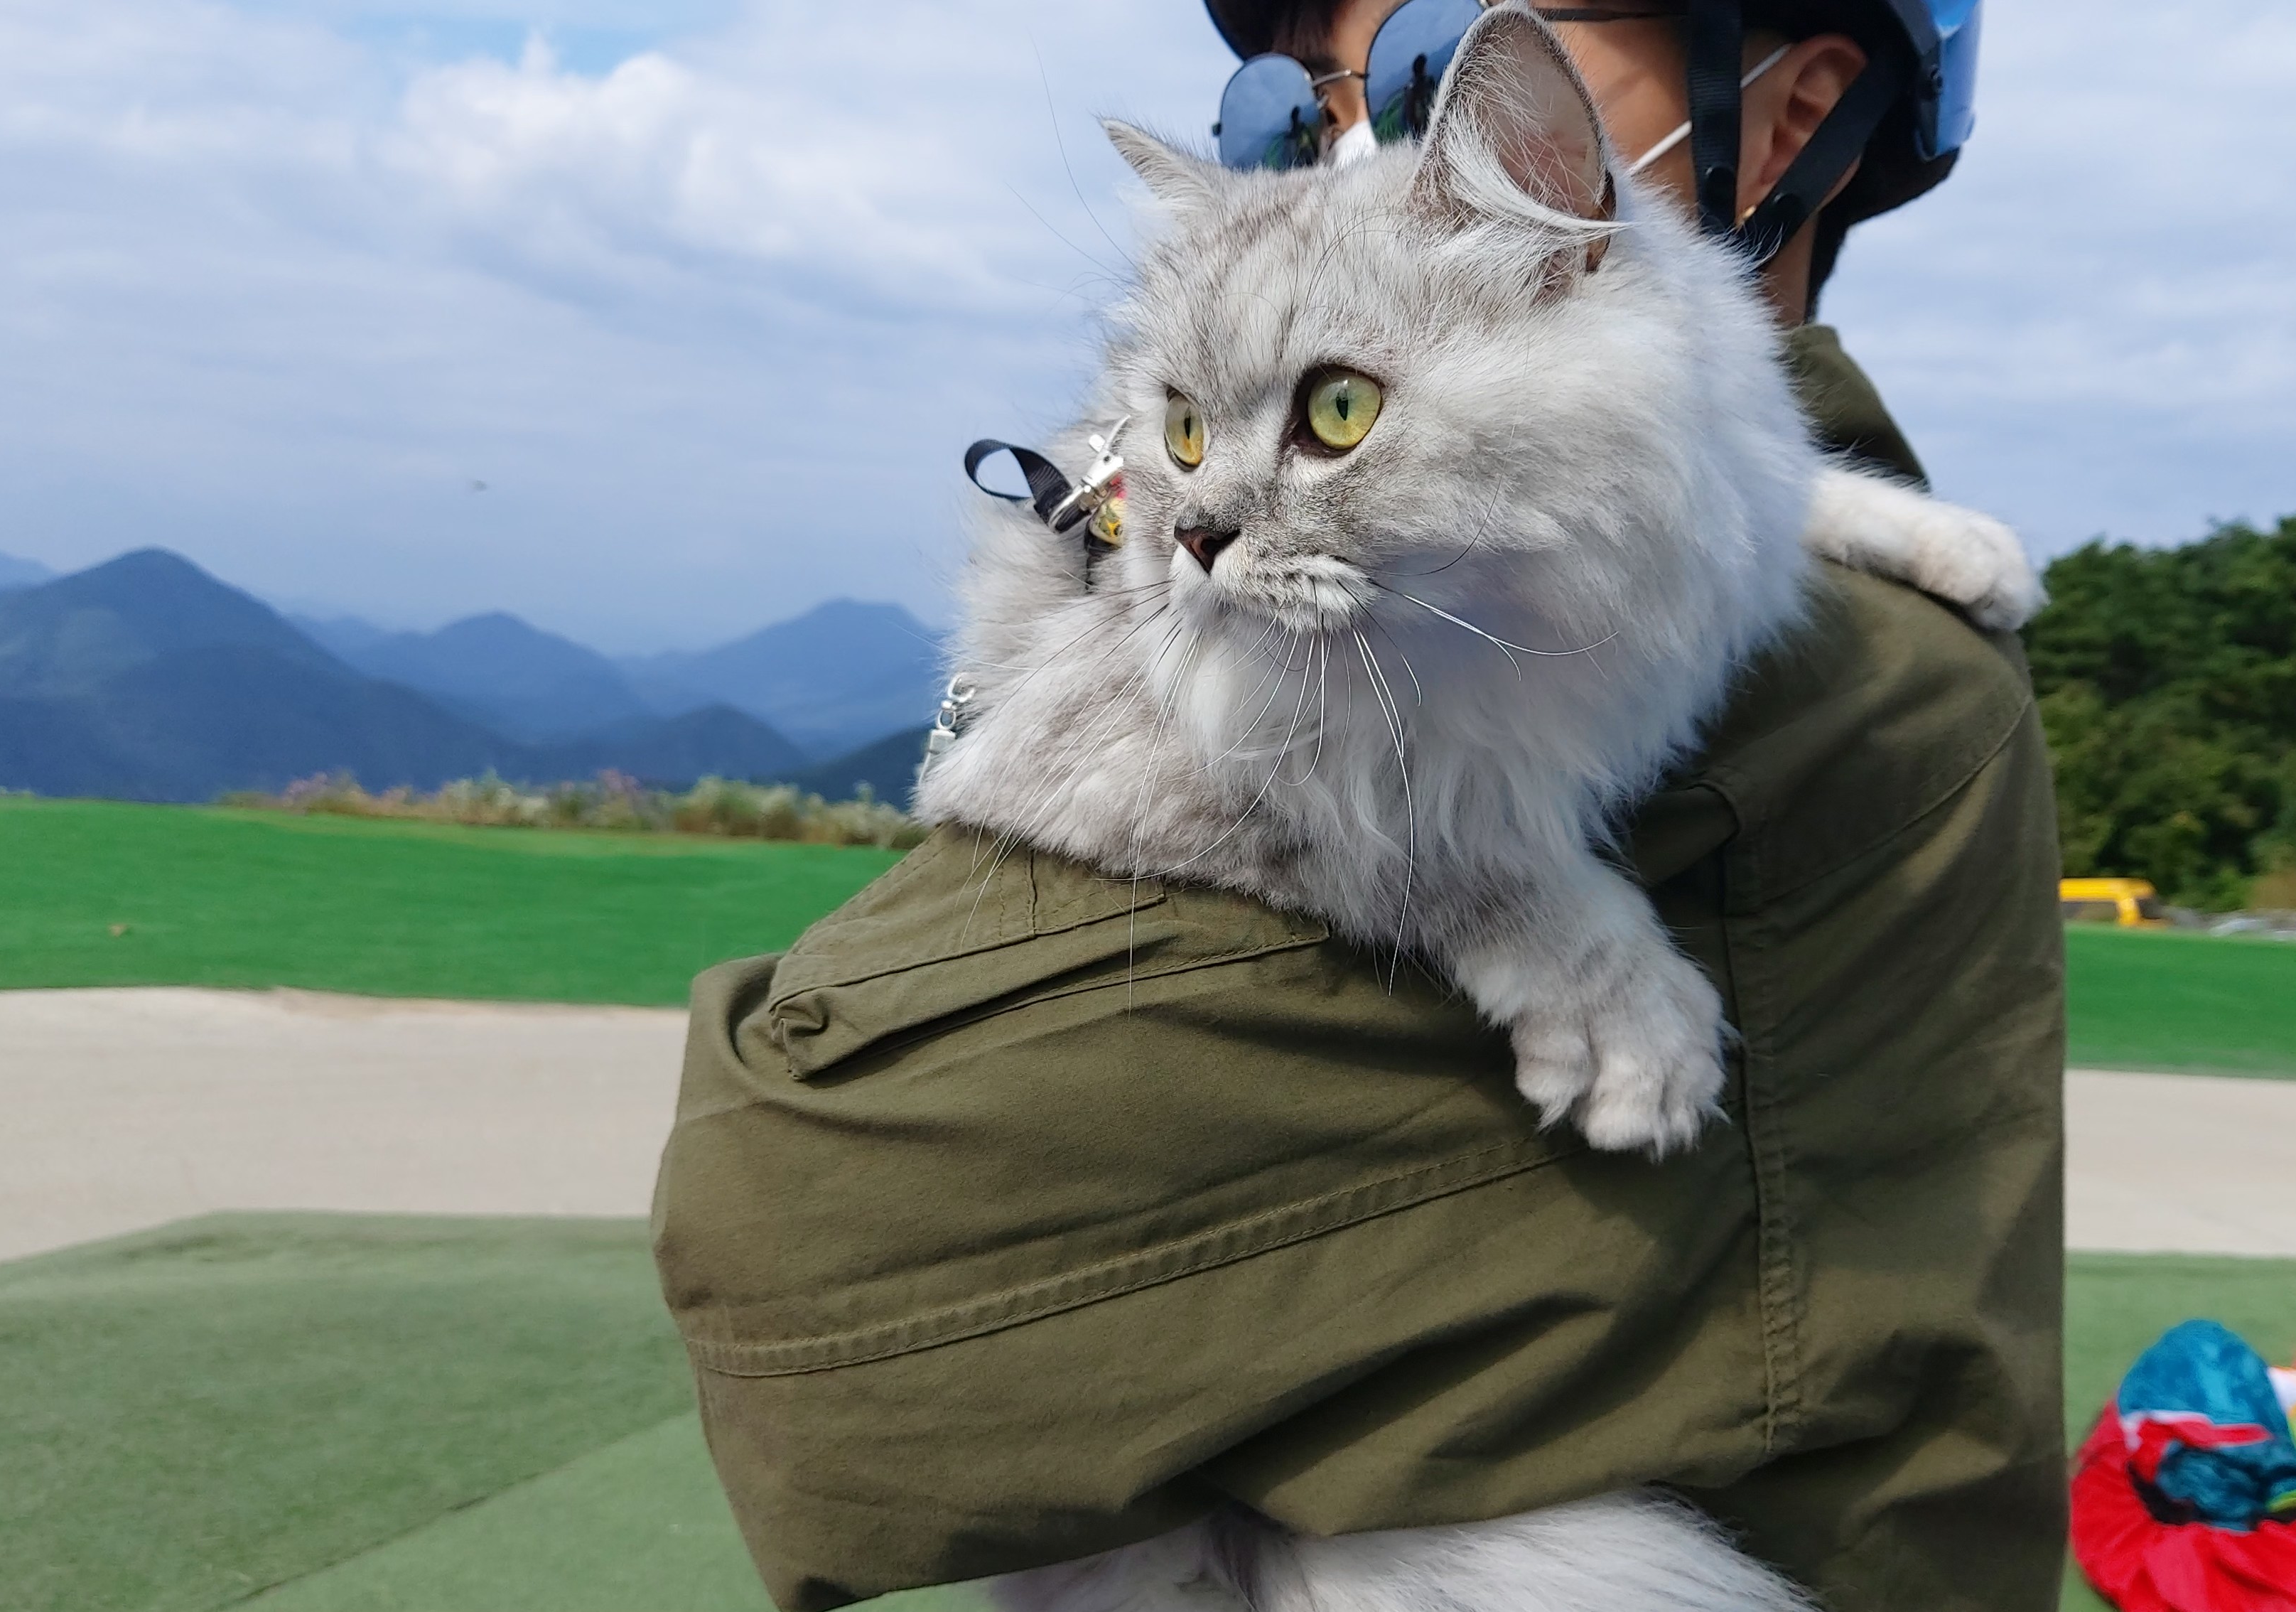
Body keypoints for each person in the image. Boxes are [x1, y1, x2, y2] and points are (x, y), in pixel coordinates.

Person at [652, 2, 2064, 1608]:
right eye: (1285, 98)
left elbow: (797, 1230)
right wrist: (1501, 892)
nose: (1204, 524)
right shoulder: (1659, 522)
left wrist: (1497, 898)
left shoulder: (1855, 689)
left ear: (1795, 107)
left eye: (1422, 59)